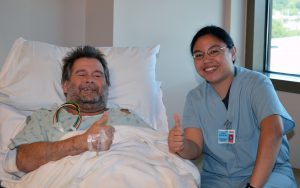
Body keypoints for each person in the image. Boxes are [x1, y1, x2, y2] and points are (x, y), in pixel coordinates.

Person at [168, 25, 297, 188]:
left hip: (269, 173)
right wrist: (181, 145)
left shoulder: (257, 84)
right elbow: (195, 147)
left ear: (233, 52)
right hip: (218, 178)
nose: (206, 59)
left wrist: (253, 186)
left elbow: (274, 131)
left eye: (214, 51)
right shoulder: (195, 98)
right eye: (198, 55)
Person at [3, 46, 150, 177]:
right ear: (65, 86)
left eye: (97, 75)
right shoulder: (46, 118)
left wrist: (173, 145)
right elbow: (23, 160)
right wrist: (82, 141)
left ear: (107, 86)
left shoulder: (127, 116)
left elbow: (157, 150)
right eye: (81, 74)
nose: (90, 80)